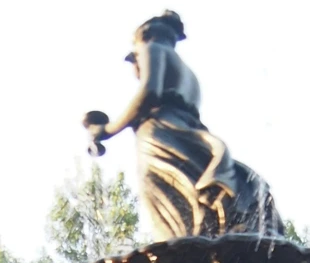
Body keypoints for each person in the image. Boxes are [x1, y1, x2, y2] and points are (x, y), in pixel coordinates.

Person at [84, 12, 283, 241]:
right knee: (193, 198)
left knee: (173, 217)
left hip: (160, 133)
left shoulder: (151, 48)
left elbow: (149, 92)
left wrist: (107, 130)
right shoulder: (189, 75)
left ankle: (180, 258)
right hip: (189, 132)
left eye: (134, 59)